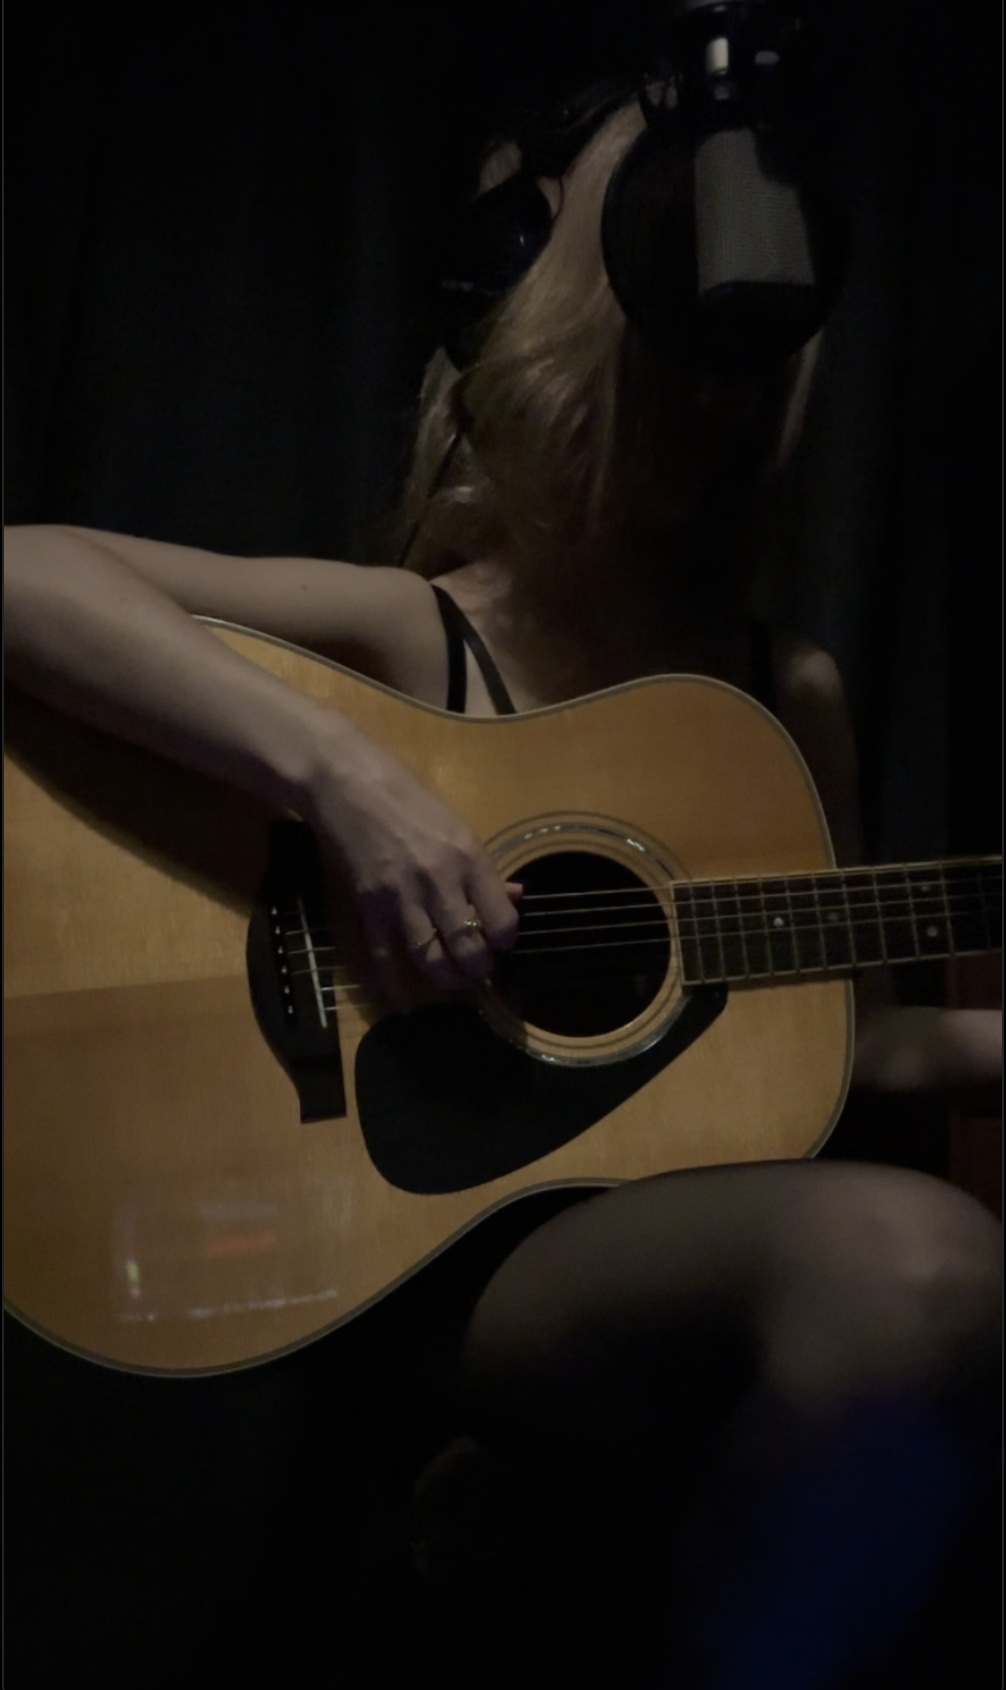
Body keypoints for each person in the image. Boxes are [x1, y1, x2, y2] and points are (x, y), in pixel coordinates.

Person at [5, 93, 1001, 1689]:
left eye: (741, 375)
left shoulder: (780, 688)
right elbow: (19, 576)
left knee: (926, 1273)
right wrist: (348, 786)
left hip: (663, 1232)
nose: (709, 406)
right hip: (430, 1253)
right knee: (917, 1262)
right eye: (671, 364)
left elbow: (861, 1034)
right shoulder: (427, 632)